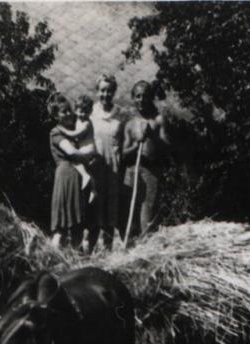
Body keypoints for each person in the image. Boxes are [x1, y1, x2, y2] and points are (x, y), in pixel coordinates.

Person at [121, 81, 171, 239]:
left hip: (151, 172)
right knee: (130, 211)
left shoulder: (158, 121)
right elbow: (123, 153)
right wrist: (136, 145)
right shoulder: (130, 124)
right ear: (133, 98)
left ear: (151, 98)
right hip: (132, 171)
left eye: (145, 96)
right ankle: (129, 249)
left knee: (147, 213)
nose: (141, 100)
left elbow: (168, 147)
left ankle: (146, 248)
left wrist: (153, 136)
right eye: (138, 96)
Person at [48, 94, 98, 249]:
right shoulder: (56, 132)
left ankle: (74, 262)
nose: (69, 113)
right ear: (56, 115)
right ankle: (53, 259)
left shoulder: (76, 127)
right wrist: (90, 152)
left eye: (69, 110)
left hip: (77, 178)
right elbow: (71, 153)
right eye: (64, 112)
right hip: (65, 177)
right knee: (61, 226)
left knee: (77, 225)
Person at [89, 74, 124, 249]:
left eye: (109, 91)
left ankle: (108, 249)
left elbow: (123, 141)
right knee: (95, 207)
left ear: (114, 92)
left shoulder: (119, 114)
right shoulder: (91, 112)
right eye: (102, 90)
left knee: (111, 208)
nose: (106, 94)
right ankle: (89, 250)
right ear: (97, 91)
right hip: (95, 165)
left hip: (113, 166)